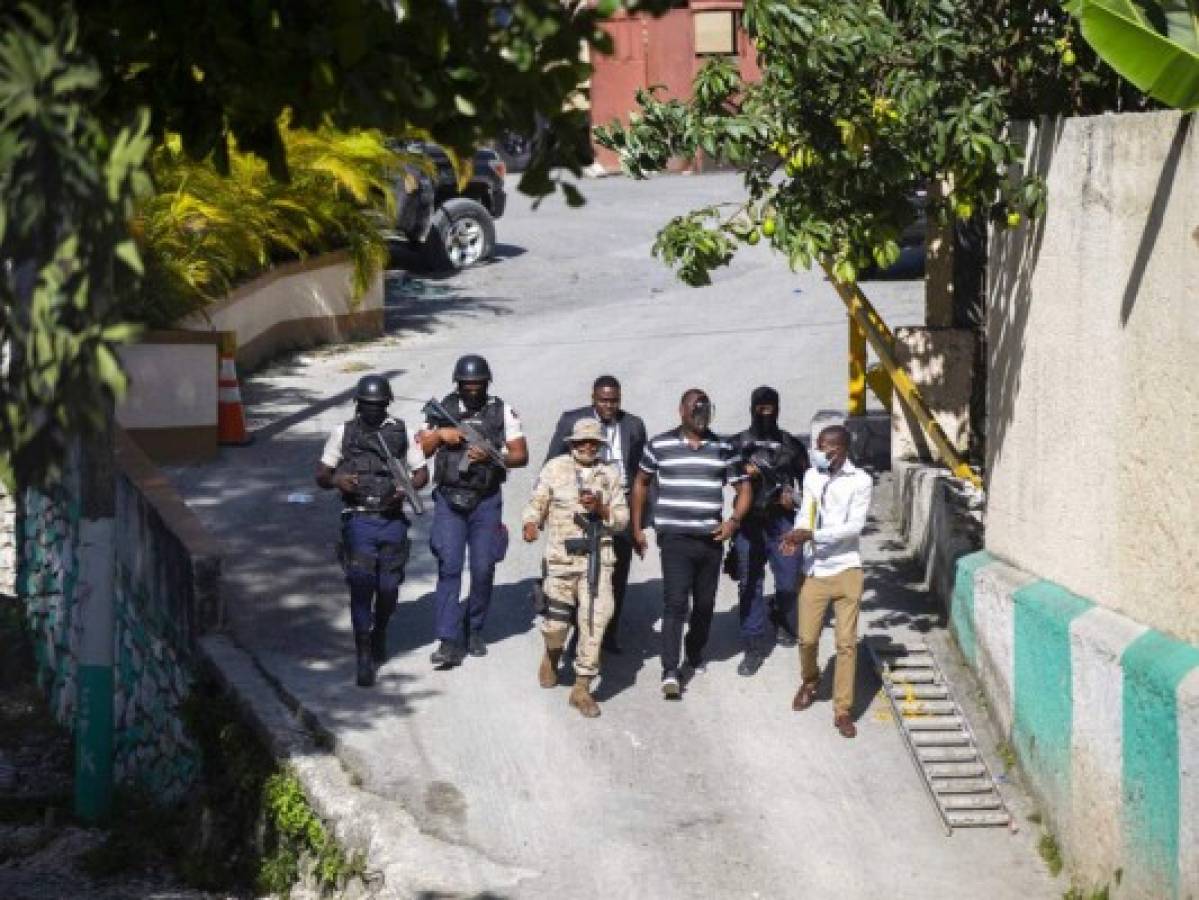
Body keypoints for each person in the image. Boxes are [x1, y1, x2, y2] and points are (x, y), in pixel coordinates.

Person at [631, 389, 751, 700]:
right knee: (675, 604)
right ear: (681, 411)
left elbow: (744, 488)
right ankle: (670, 670)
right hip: (674, 539)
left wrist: (733, 521)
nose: (700, 416)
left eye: (705, 411)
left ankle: (695, 652)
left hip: (711, 539)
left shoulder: (723, 447)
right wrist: (637, 528)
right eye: (694, 410)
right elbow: (641, 483)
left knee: (706, 604)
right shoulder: (659, 445)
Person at [315, 374, 429, 687]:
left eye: (379, 405)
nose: (373, 410)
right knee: (362, 587)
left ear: (387, 404)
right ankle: (364, 655)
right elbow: (321, 475)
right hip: (359, 519)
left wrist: (404, 489)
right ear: (358, 404)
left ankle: (380, 631)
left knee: (389, 588)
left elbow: (421, 474)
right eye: (367, 405)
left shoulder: (400, 432)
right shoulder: (344, 433)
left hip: (392, 521)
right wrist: (338, 480)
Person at [418, 354, 528, 669]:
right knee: (449, 566)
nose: (472, 389)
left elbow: (521, 455)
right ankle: (447, 639)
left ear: (486, 383)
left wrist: (493, 458)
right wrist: (440, 435)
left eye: (477, 383)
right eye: (466, 384)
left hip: (486, 500)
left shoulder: (501, 411)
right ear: (458, 383)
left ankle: (474, 627)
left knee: (483, 568)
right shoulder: (443, 409)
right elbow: (422, 449)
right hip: (449, 499)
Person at [522, 419, 629, 718]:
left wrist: (601, 509)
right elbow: (537, 501)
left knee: (596, 620)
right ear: (571, 444)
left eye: (593, 443)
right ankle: (552, 653)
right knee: (556, 626)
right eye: (582, 442)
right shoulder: (555, 469)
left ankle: (582, 687)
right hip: (560, 560)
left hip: (597, 560)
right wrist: (531, 523)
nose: (587, 447)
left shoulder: (609, 475)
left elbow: (621, 520)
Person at [781, 424, 873, 738]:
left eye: (824, 446)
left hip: (847, 569)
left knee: (846, 643)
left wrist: (814, 534)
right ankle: (810, 680)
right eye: (817, 445)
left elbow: (855, 527)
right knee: (807, 638)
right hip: (815, 570)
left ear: (840, 449)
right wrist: (797, 534)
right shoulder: (811, 476)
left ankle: (843, 710)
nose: (818, 451)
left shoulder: (860, 481)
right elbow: (806, 511)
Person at [544, 375, 646, 653]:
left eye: (614, 401)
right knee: (579, 571)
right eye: (604, 400)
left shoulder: (633, 425)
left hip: (617, 501)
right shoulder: (571, 421)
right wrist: (543, 511)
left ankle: (608, 634)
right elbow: (550, 464)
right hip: (580, 505)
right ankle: (579, 632)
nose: (609, 406)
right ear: (593, 397)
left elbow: (641, 477)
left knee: (616, 572)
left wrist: (639, 525)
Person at [728, 386, 809, 677]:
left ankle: (779, 613)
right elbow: (721, 480)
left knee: (788, 582)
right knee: (749, 583)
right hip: (749, 522)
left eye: (770, 407)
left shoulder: (791, 445)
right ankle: (753, 645)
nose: (766, 412)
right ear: (751, 408)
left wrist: (794, 500)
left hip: (783, 522)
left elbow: (811, 489)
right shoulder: (737, 444)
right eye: (760, 407)